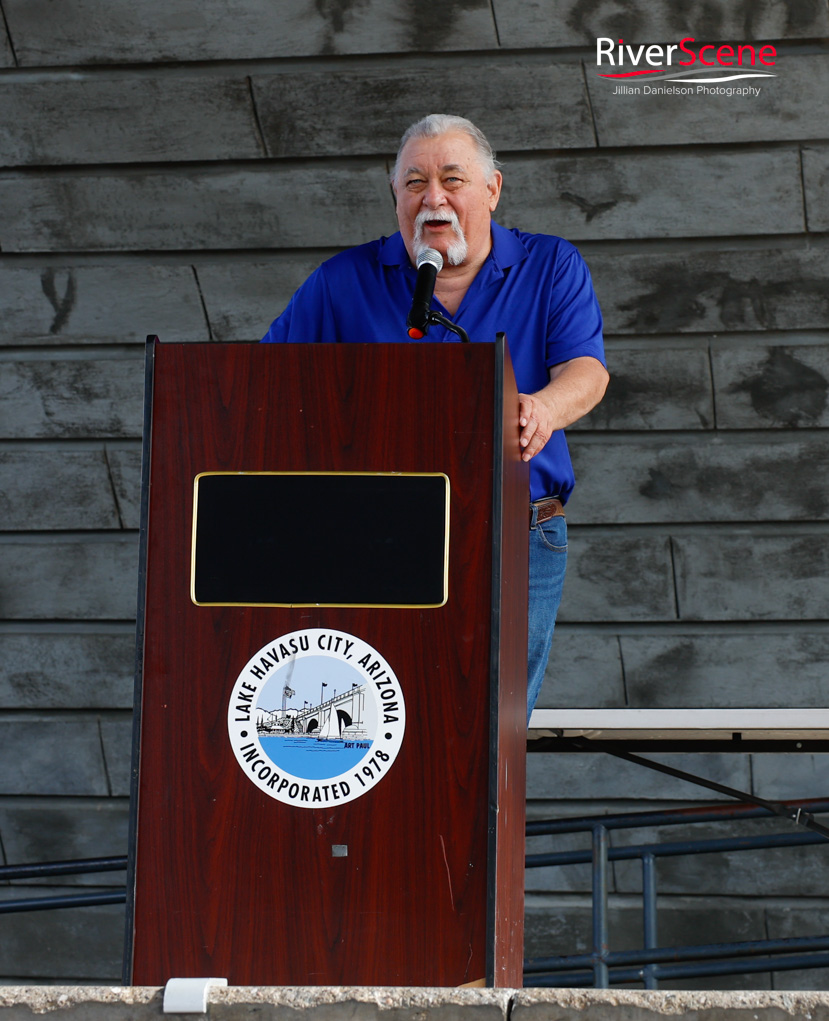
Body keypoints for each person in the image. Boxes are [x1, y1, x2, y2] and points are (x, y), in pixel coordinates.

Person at [262, 114, 609, 722]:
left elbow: (587, 370)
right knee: (384, 724)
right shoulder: (342, 281)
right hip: (374, 537)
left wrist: (542, 408)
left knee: (489, 729)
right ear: (395, 196)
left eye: (452, 179)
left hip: (517, 535)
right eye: (415, 182)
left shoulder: (551, 265)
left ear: (492, 190)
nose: (433, 198)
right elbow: (263, 384)